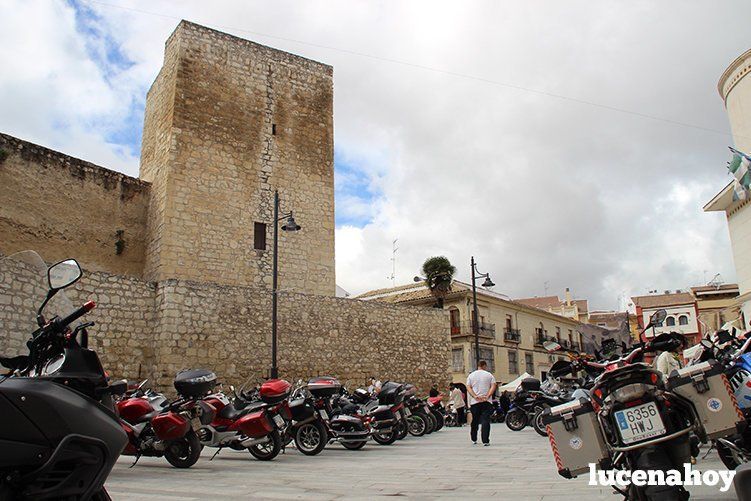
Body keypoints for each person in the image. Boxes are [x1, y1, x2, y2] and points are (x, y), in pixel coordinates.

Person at [466, 360, 496, 446]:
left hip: (475, 402)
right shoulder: (489, 375)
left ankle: (474, 438)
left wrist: (475, 396)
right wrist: (487, 396)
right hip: (486, 401)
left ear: (478, 366)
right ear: (484, 366)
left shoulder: (471, 376)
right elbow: (493, 386)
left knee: (475, 420)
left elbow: (468, 387)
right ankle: (485, 440)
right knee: (485, 420)